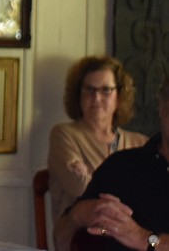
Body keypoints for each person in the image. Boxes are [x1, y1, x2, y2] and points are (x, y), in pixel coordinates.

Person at [53, 76, 169, 251]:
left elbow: (143, 239)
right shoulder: (120, 166)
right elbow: (60, 240)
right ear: (161, 105)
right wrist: (77, 216)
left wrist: (144, 239)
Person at [47, 55, 147, 221]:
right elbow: (80, 188)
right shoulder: (63, 135)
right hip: (81, 236)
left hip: (133, 237)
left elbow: (151, 197)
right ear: (78, 94)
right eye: (89, 89)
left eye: (106, 90)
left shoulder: (140, 143)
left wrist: (89, 174)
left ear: (119, 96)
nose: (96, 98)